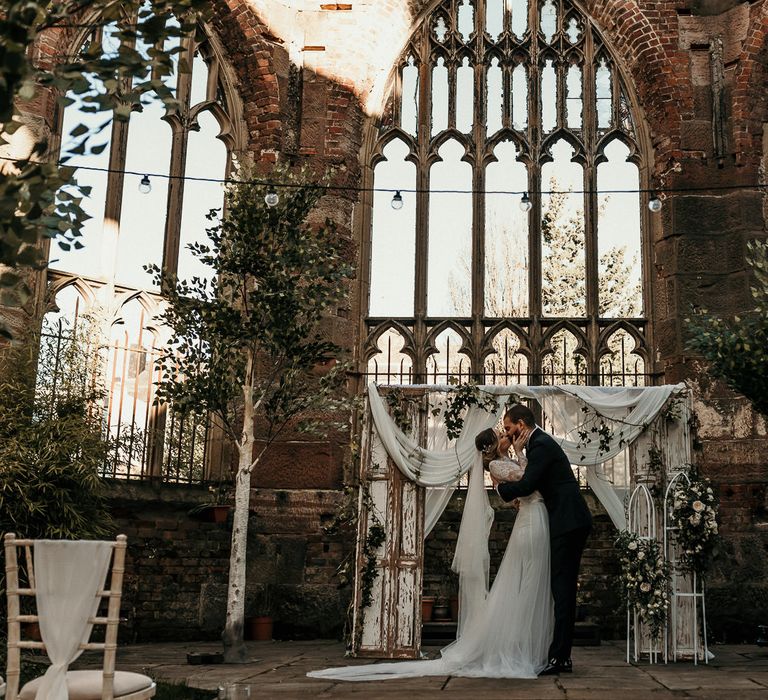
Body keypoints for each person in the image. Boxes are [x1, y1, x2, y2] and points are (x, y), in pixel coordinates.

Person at [307, 427, 554, 681]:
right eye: (503, 436)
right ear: (492, 447)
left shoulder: (504, 463)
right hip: (530, 519)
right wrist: (519, 451)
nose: (509, 437)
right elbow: (528, 478)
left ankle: (521, 641)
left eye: (507, 434)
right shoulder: (497, 467)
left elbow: (523, 486)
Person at [492, 404, 592, 676]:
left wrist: (500, 489)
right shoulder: (538, 444)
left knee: (563, 589)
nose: (508, 433)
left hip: (568, 522)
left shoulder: (541, 445)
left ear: (521, 425)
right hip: (563, 520)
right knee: (560, 588)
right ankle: (560, 656)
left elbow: (527, 485)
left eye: (510, 428)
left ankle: (561, 658)